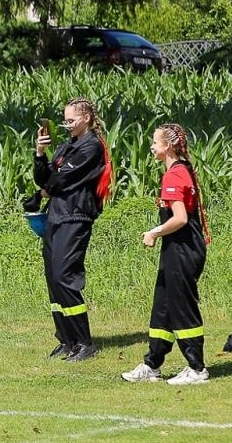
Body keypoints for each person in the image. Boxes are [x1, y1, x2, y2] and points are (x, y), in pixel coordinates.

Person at [122, 123, 211, 386]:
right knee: (162, 306)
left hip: (184, 248)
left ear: (168, 146)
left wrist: (154, 232)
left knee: (182, 307)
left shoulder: (174, 175)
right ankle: (152, 364)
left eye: (155, 142)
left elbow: (180, 218)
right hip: (176, 248)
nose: (151, 147)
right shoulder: (182, 170)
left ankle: (197, 369)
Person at [33, 97, 112, 362]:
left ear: (86, 118)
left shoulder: (91, 147)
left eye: (71, 120)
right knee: (53, 278)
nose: (67, 125)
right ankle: (66, 339)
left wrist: (46, 190)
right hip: (56, 215)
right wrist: (40, 153)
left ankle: (84, 342)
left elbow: (62, 179)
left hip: (75, 217)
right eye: (64, 120)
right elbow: (44, 178)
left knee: (65, 277)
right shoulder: (66, 146)